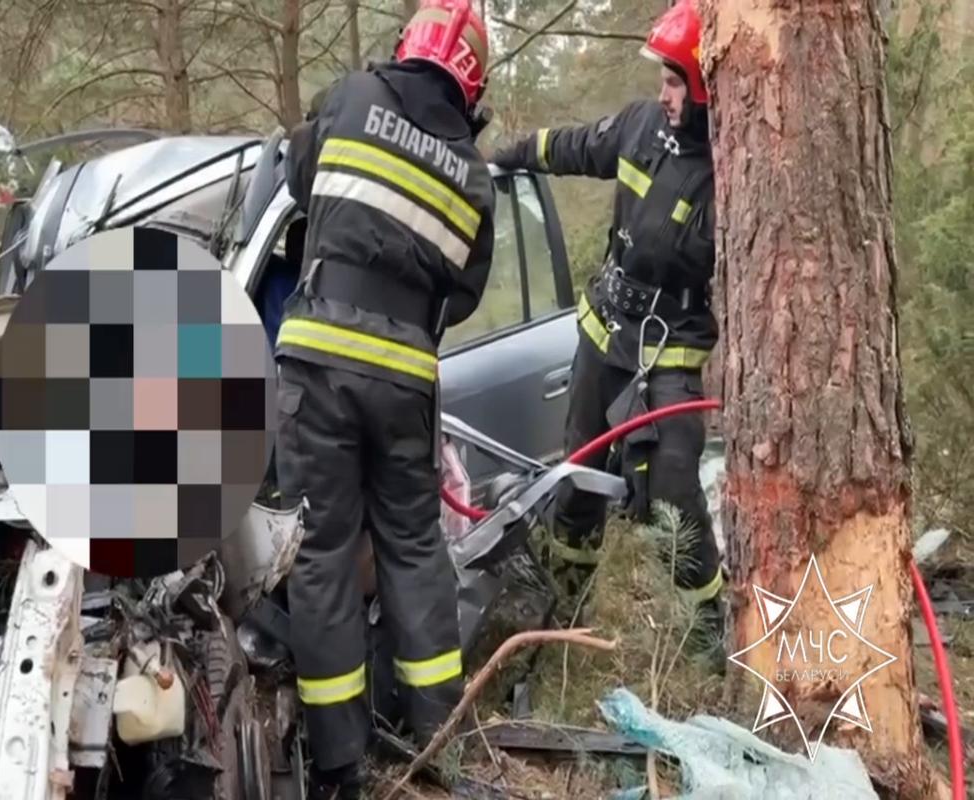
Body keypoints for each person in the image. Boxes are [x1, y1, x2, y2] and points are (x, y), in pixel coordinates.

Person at [272, 0, 497, 796]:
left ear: (408, 46)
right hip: (404, 377)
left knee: (323, 550)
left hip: (320, 363)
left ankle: (339, 760)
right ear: (472, 82)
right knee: (413, 546)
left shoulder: (351, 97)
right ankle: (438, 736)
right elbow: (464, 293)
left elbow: (298, 178)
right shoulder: (474, 174)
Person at [489, 0, 725, 650]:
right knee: (578, 477)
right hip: (605, 335)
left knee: (672, 492)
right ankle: (566, 616)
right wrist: (509, 157)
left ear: (705, 88)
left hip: (670, 353)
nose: (664, 94)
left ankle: (707, 637)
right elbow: (574, 146)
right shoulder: (639, 126)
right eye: (663, 81)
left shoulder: (730, 168)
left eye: (675, 82)